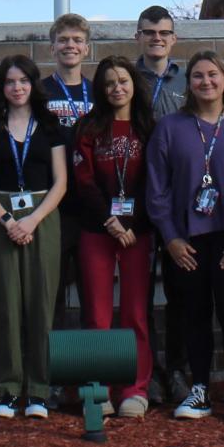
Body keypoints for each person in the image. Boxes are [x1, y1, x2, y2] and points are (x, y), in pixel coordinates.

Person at [146, 50, 224, 425]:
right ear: (189, 83)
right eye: (197, 76)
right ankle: (199, 389)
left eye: (213, 75)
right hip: (187, 240)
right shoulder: (170, 127)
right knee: (193, 315)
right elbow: (157, 189)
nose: (205, 82)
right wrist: (170, 237)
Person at [0, 54, 68, 418]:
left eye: (23, 81)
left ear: (34, 84)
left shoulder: (50, 125)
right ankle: (9, 390)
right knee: (6, 305)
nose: (17, 88)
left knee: (41, 304)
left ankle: (40, 391)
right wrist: (9, 220)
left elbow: (61, 182)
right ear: (2, 87)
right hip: (2, 218)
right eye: (10, 82)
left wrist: (32, 221)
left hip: (43, 216)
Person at [68, 55, 156, 418]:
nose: (117, 88)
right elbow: (83, 181)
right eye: (109, 83)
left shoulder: (149, 126)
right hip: (97, 230)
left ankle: (135, 389)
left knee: (135, 311)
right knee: (98, 312)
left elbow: (158, 180)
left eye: (123, 81)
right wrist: (109, 221)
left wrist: (135, 225)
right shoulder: (88, 128)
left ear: (134, 83)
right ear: (100, 90)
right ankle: (97, 389)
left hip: (138, 232)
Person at [132, 5, 188, 401]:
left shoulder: (188, 79)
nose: (157, 38)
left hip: (177, 200)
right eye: (149, 32)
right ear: (138, 36)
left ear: (174, 38)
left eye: (164, 32)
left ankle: (179, 370)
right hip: (132, 197)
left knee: (179, 290)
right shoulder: (124, 78)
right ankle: (145, 372)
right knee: (137, 294)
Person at [41, 13, 93, 338]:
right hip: (53, 207)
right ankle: (53, 378)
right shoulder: (39, 92)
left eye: (76, 40)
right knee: (52, 293)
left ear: (87, 48)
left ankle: (92, 374)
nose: (69, 45)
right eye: (63, 40)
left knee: (93, 292)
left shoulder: (98, 92)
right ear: (52, 48)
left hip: (91, 206)